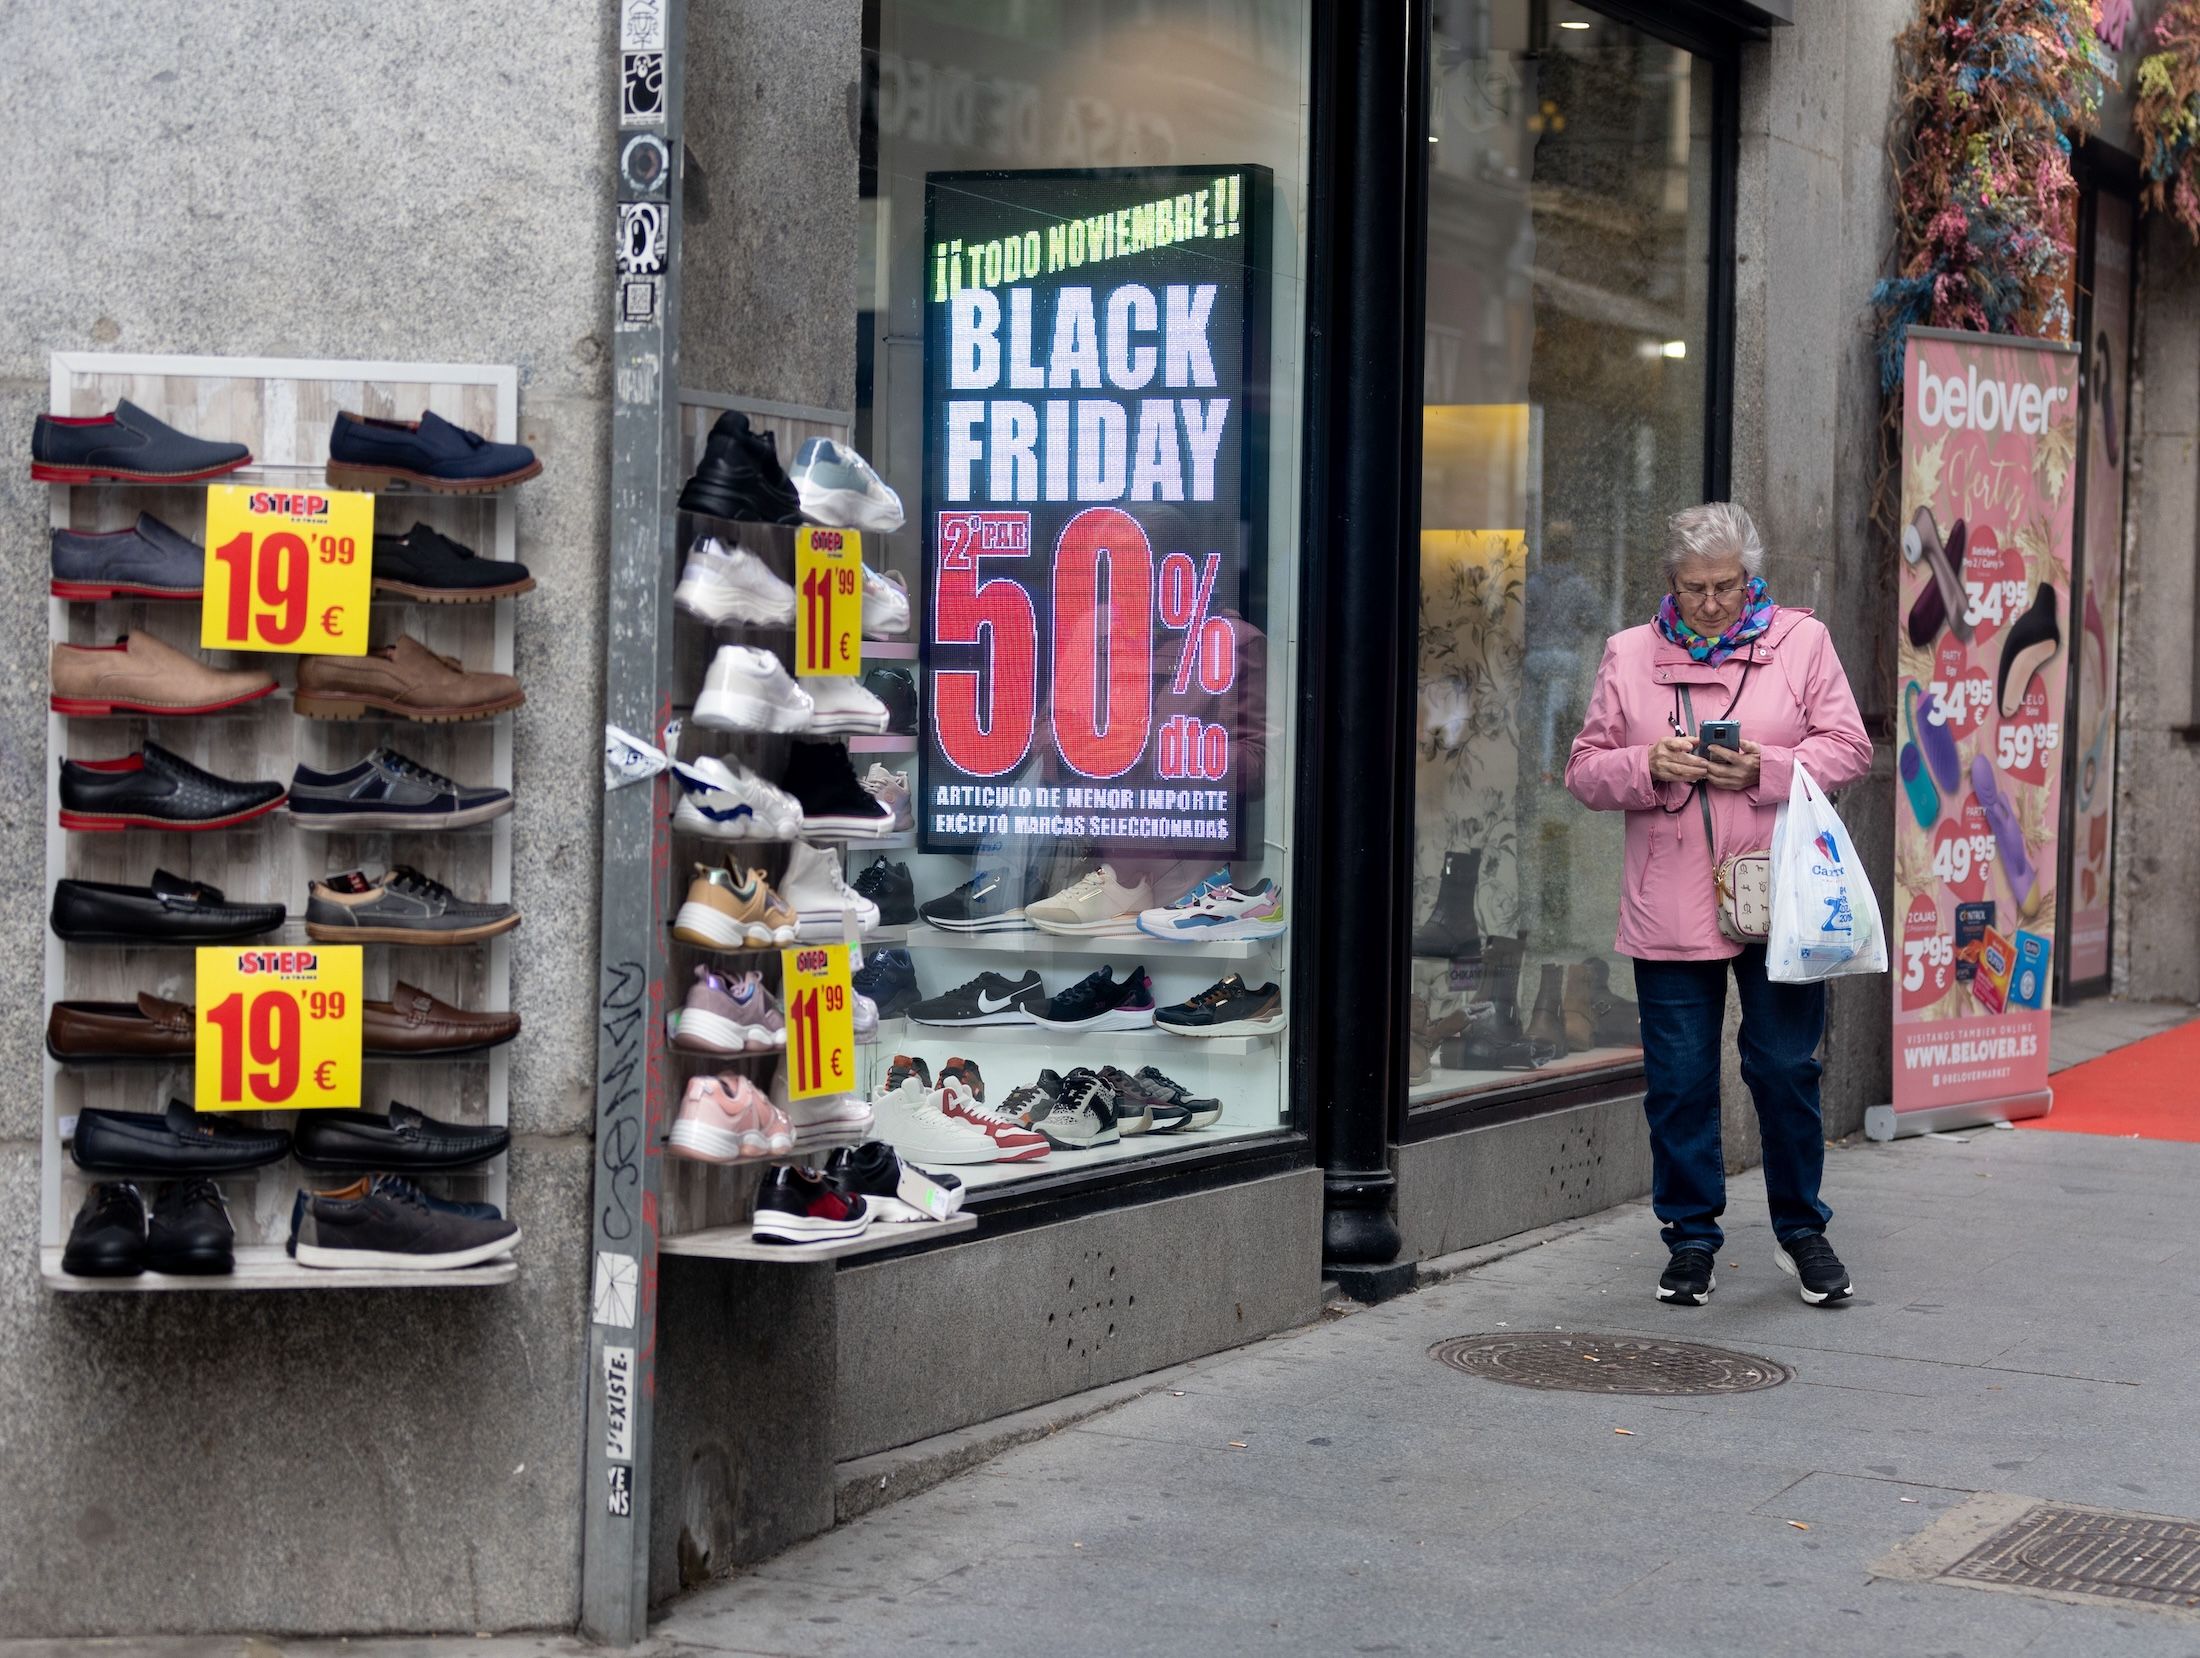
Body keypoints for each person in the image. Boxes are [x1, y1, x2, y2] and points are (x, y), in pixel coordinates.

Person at [1564, 502, 1872, 1308]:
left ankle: (1802, 1229)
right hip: (1669, 899)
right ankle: (1691, 1240)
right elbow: (1584, 769)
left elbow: (1848, 748)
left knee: (1783, 1068)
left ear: (1750, 577)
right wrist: (1647, 763)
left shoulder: (1801, 642)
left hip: (1778, 898)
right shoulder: (1628, 654)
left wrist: (1764, 769)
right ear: (1670, 581)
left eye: (1727, 586)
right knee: (1679, 1083)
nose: (1711, 603)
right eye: (1696, 588)